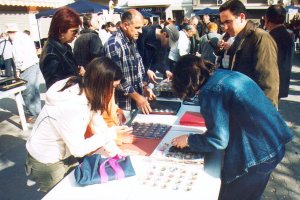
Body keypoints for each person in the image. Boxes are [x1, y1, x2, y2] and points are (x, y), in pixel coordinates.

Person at [170, 55, 293, 200]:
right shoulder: (224, 74)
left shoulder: (211, 91)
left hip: (258, 156)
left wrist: (189, 140)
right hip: (275, 144)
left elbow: (218, 140)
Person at [25, 57, 133, 192]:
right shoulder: (71, 106)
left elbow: (97, 123)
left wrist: (116, 152)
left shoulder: (87, 89)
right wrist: (111, 133)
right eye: (113, 87)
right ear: (101, 85)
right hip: (47, 159)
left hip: (65, 151)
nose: (113, 92)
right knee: (62, 194)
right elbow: (79, 149)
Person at [218, 0, 279, 107]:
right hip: (241, 104)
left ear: (241, 17)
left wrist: (265, 115)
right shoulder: (238, 37)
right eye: (223, 23)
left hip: (254, 109)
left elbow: (268, 83)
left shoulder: (261, 38)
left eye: (228, 22)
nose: (225, 27)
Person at [104, 9, 155, 114]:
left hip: (134, 104)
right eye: (137, 28)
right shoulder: (113, 44)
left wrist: (144, 87)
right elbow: (117, 78)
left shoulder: (131, 40)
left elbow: (137, 70)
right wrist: (137, 97)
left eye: (141, 27)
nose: (140, 31)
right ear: (125, 25)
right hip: (121, 107)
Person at [39, 7, 82, 89]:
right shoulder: (51, 56)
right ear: (61, 30)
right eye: (74, 31)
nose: (76, 35)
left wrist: (78, 71)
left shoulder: (64, 46)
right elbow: (55, 90)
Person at [6, 23, 41, 123]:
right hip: (34, 64)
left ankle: (32, 114)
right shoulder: (26, 36)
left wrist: (17, 70)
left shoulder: (16, 40)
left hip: (26, 67)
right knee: (35, 90)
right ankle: (37, 112)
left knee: (27, 92)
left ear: (11, 33)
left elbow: (18, 57)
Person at [265, 5, 294, 99]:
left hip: (270, 86)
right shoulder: (288, 35)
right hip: (282, 84)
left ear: (267, 20)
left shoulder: (270, 37)